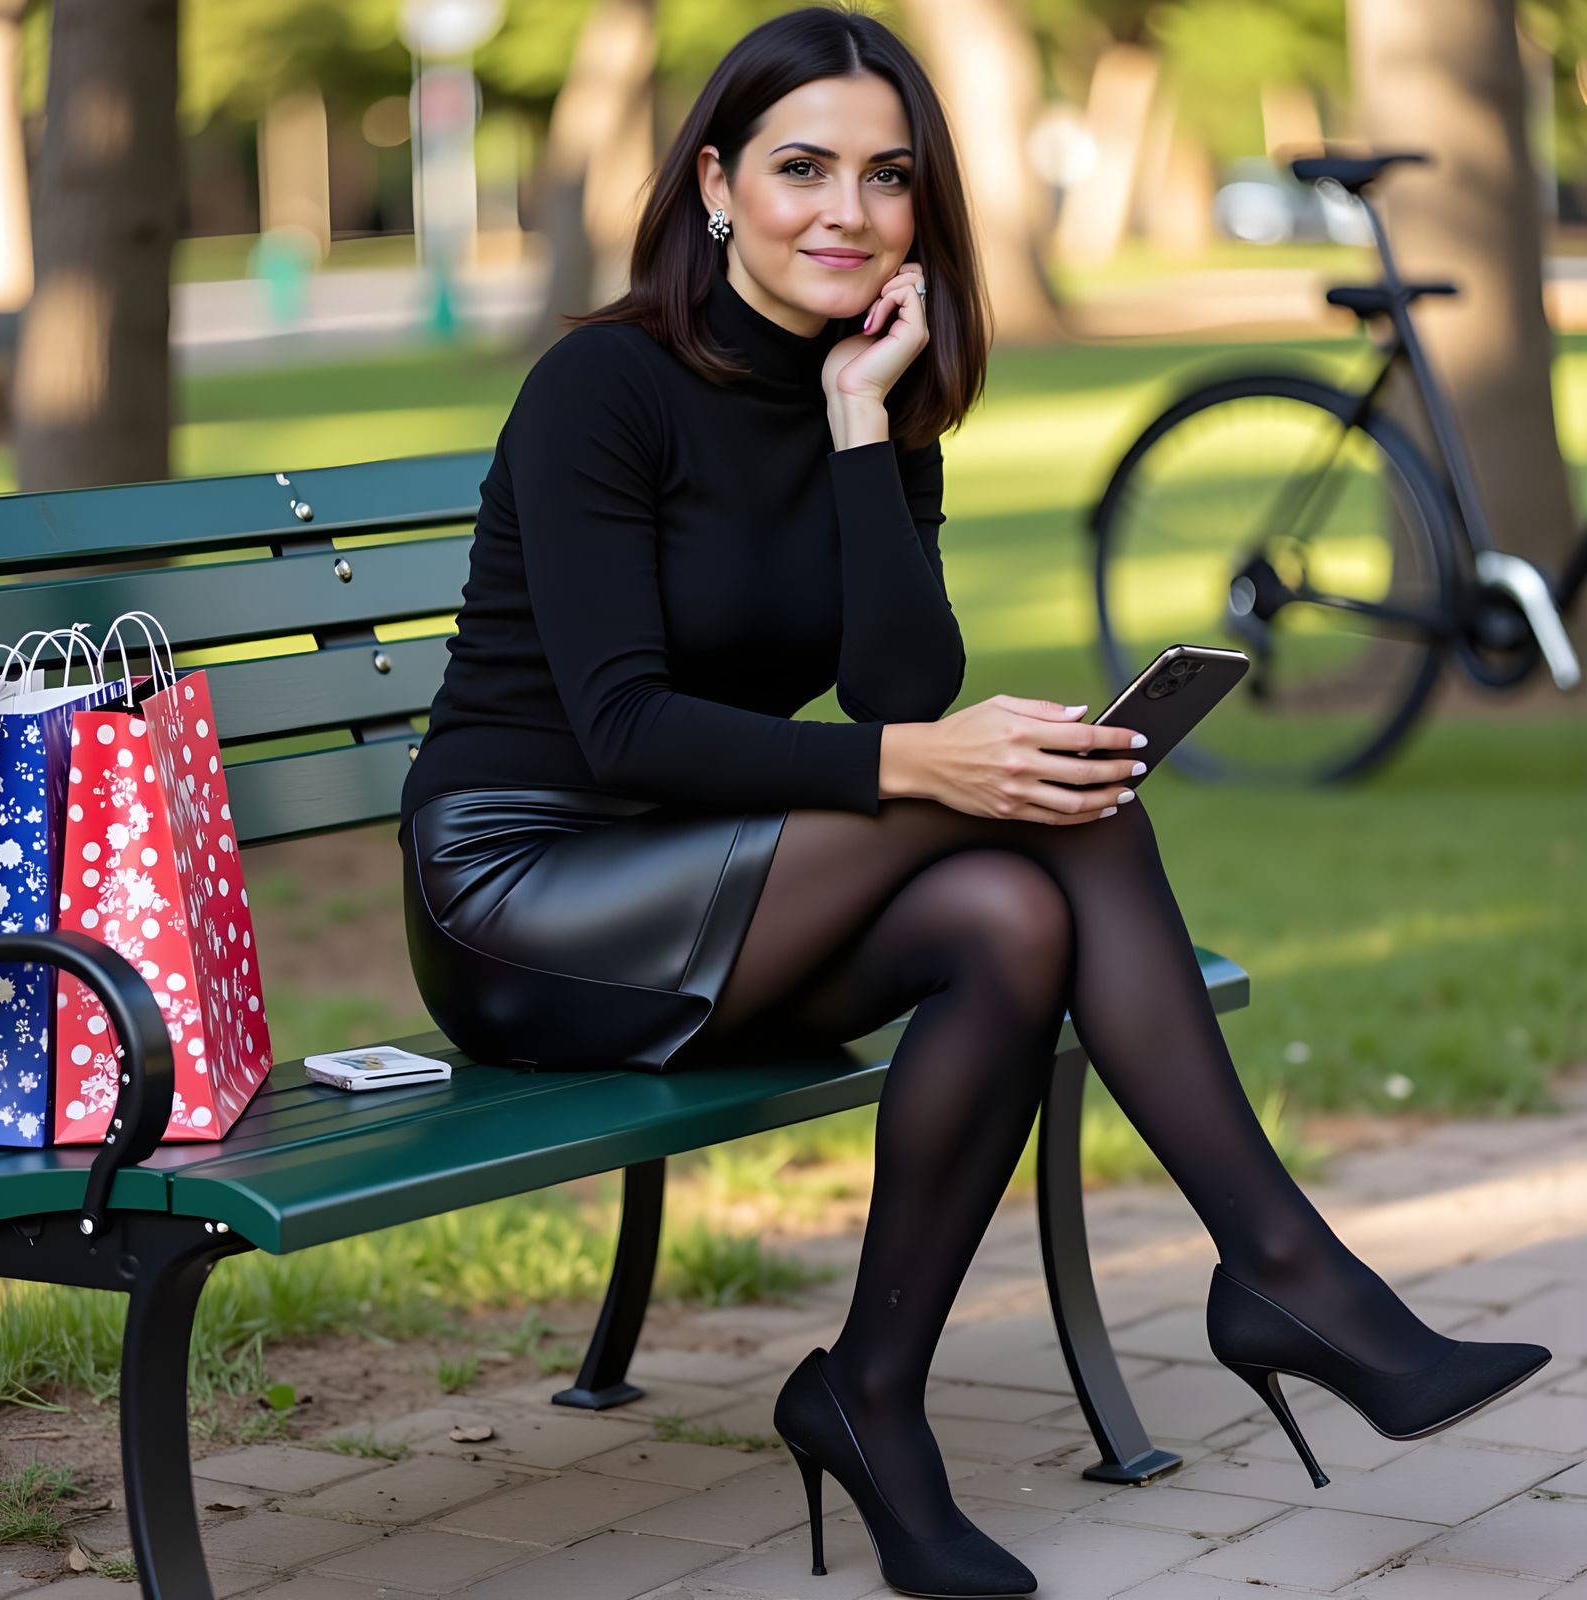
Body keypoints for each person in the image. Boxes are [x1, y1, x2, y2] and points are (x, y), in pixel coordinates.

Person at [399, 7, 1551, 1595]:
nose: (846, 214)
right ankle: (1288, 1275)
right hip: (528, 899)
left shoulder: (871, 383)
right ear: (716, 182)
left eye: (888, 179)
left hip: (718, 878)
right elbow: (619, 731)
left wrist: (865, 425)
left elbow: (890, 684)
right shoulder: (603, 387)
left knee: (1012, 918)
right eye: (802, 168)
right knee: (1053, 810)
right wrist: (930, 768)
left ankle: (872, 1397)